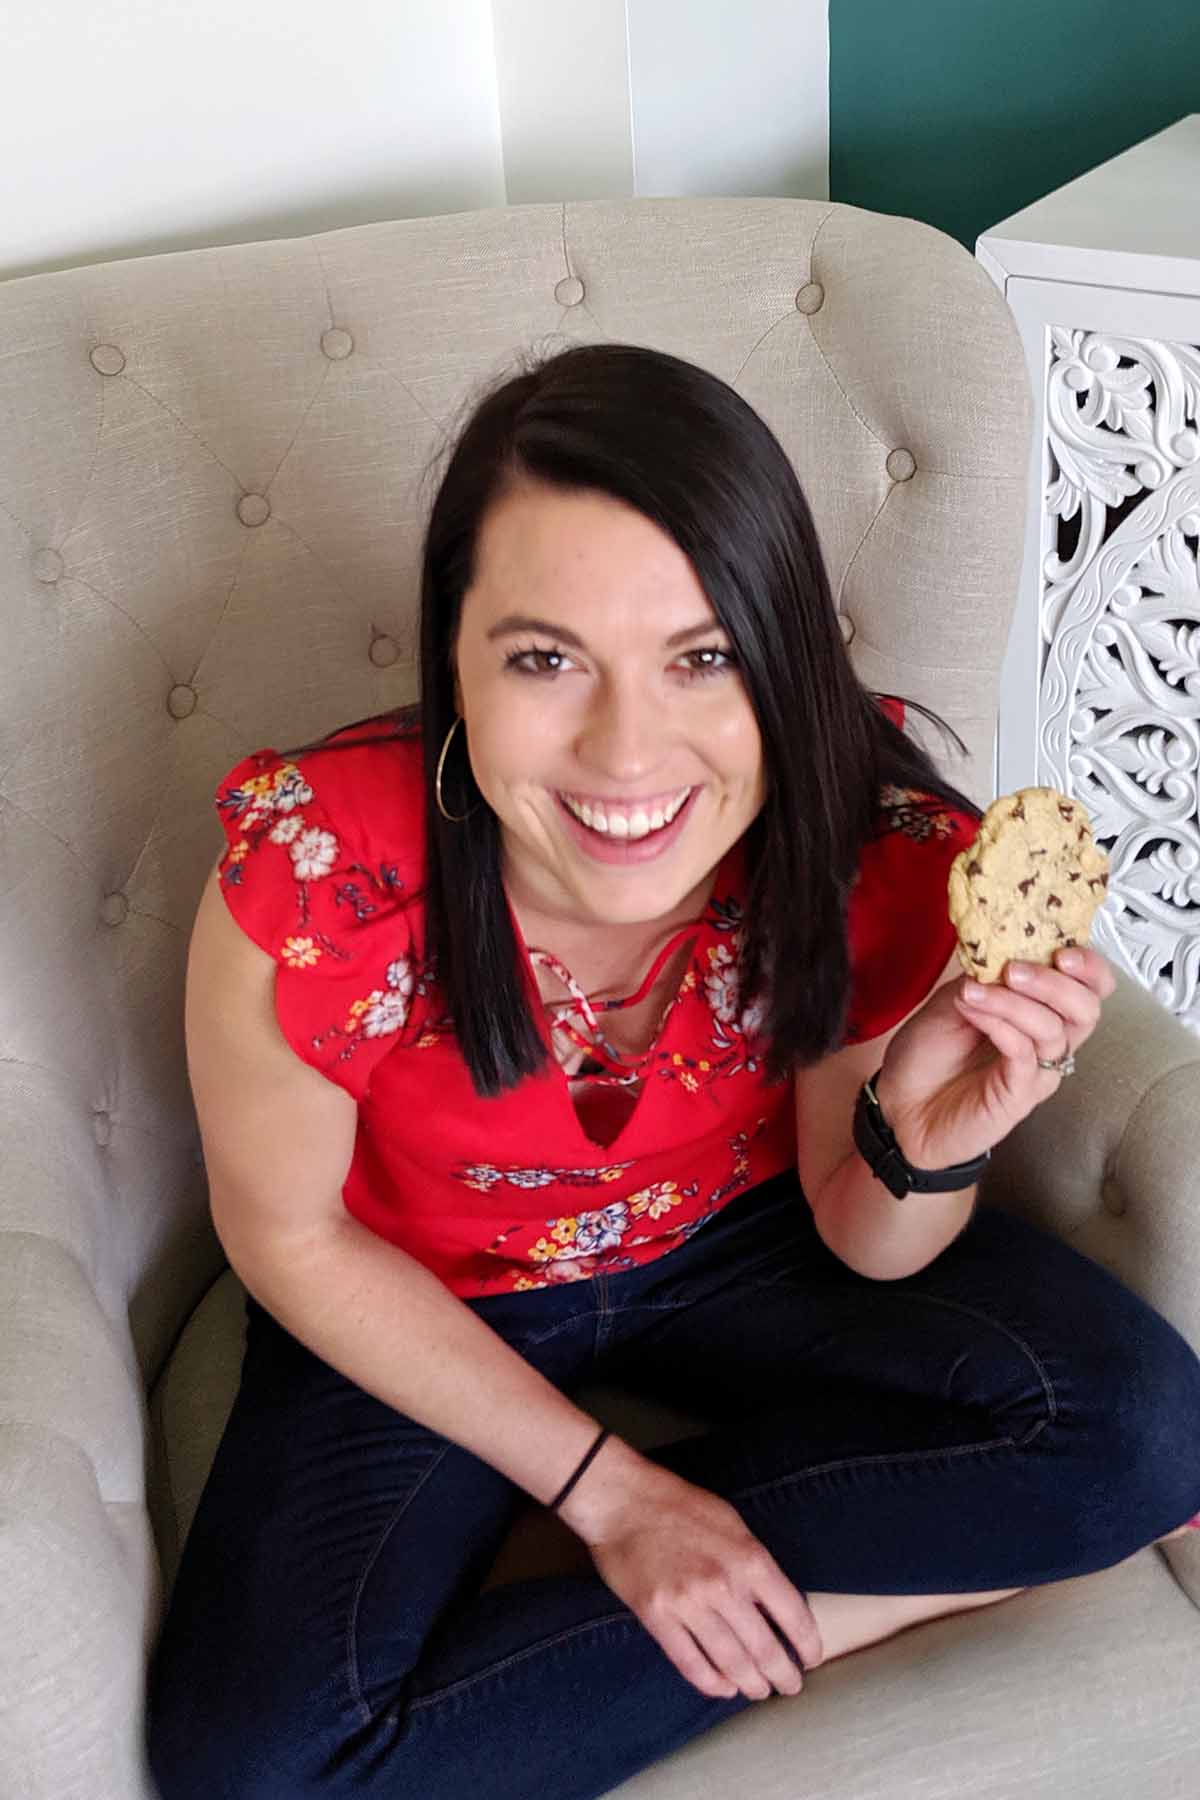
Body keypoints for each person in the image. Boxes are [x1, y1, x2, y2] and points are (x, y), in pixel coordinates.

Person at [146, 343, 1200, 1800]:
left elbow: (865, 1235)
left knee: (1146, 1433)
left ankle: (718, 1608)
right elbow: (290, 1233)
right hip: (426, 1293)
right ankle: (845, 1582)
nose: (627, 752)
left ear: (779, 657)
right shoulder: (318, 874)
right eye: (543, 658)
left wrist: (931, 1130)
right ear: (451, 652)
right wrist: (614, 1497)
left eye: (702, 657)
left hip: (743, 1240)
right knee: (252, 1769)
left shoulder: (856, 841)